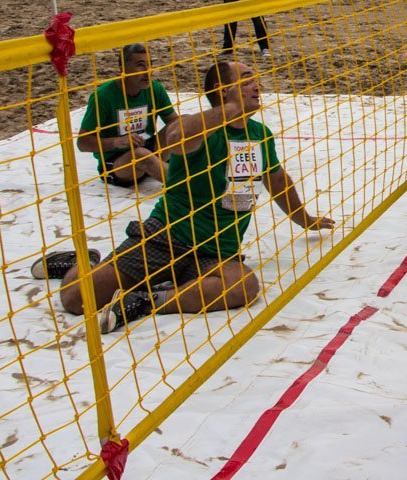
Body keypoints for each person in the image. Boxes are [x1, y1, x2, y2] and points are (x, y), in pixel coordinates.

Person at [49, 60, 334, 333]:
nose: (256, 85)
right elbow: (175, 136)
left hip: (215, 253)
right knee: (76, 298)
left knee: (244, 286)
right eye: (247, 79)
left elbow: (278, 181)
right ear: (223, 90)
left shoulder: (260, 134)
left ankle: (146, 301)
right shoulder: (200, 127)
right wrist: (229, 109)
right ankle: (85, 260)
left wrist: (305, 220)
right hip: (166, 239)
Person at [75, 43, 179, 189]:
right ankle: (189, 186)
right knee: (140, 155)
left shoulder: (155, 89)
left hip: (150, 149)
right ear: (123, 69)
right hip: (117, 163)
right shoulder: (103, 96)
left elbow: (175, 123)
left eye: (149, 64)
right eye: (140, 65)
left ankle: (200, 171)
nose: (147, 71)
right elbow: (82, 143)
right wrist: (117, 142)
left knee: (184, 123)